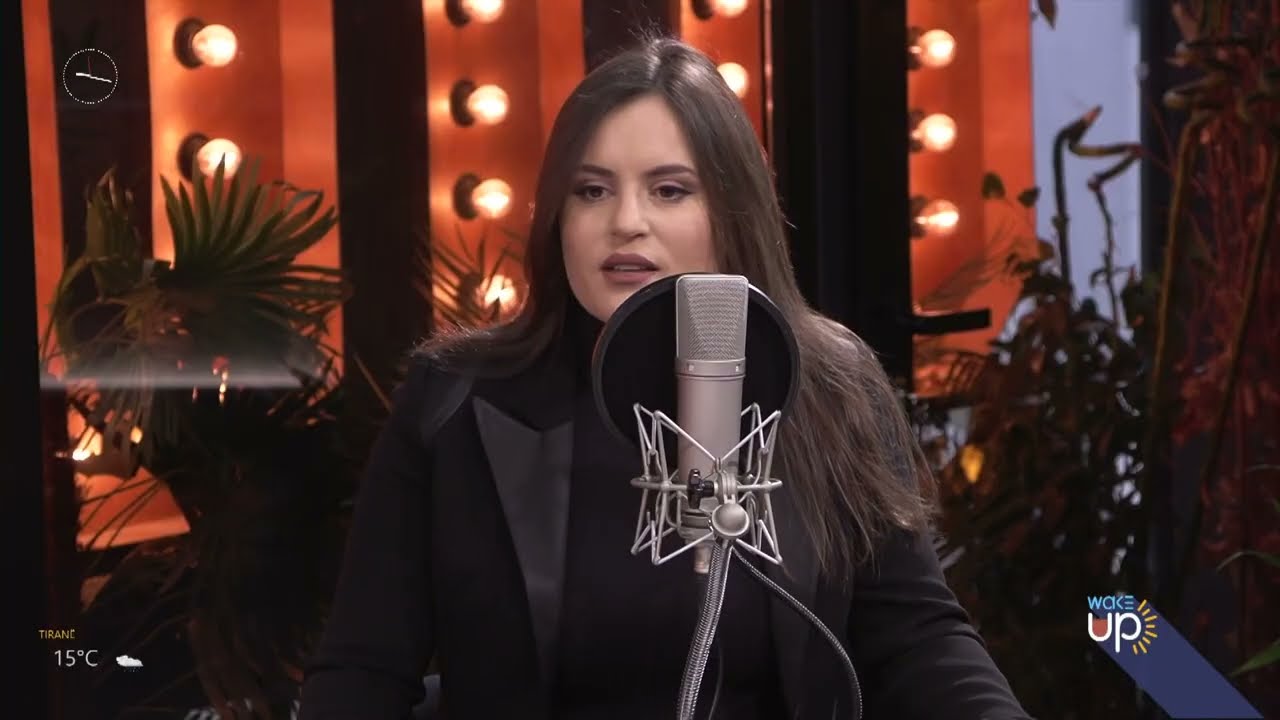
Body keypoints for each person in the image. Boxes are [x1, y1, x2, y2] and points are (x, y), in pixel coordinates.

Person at [299, 36, 1030, 720]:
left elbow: (918, 638)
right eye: (591, 191)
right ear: (556, 217)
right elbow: (363, 670)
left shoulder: (830, 386)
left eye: (670, 190)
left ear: (733, 211)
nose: (626, 221)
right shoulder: (456, 398)